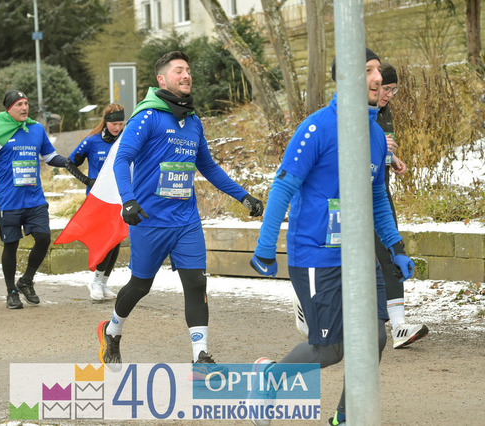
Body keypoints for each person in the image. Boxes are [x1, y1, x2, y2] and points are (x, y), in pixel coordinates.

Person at [250, 49, 415, 425]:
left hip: (359, 257)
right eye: (367, 71)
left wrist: (395, 247)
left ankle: (344, 417)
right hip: (316, 255)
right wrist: (265, 246)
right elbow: (283, 186)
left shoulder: (376, 135)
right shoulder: (317, 128)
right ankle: (270, 376)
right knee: (329, 351)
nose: (377, 78)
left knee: (374, 339)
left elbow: (376, 197)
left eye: (377, 71)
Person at [97, 51, 264, 371]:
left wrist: (243, 196)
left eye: (188, 70)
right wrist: (127, 200)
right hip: (149, 219)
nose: (186, 75)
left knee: (197, 283)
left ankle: (200, 356)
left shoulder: (193, 121)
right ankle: (112, 331)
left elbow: (208, 167)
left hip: (186, 220)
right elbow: (122, 159)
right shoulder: (147, 117)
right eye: (178, 71)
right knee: (140, 286)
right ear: (162, 79)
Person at [0, 90, 68, 309]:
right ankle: (11, 291)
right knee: (11, 246)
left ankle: (26, 280)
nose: (24, 108)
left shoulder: (36, 128)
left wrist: (69, 161)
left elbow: (49, 157)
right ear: (8, 109)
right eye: (19, 104)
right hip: (8, 200)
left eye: (26, 103)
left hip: (34, 199)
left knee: (43, 238)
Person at [375, 63, 428, 348]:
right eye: (386, 89)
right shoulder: (353, 112)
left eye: (394, 90)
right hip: (352, 198)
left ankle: (398, 326)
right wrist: (378, 148)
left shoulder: (384, 110)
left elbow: (380, 148)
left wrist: (392, 158)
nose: (389, 95)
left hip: (380, 192)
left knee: (393, 251)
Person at [66, 103, 125, 301]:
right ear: (106, 122)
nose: (118, 127)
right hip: (98, 199)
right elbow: (70, 162)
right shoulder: (92, 141)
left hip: (119, 197)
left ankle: (103, 282)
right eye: (114, 124)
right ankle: (96, 282)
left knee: (116, 240)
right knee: (106, 239)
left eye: (121, 123)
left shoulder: (125, 140)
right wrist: (87, 181)